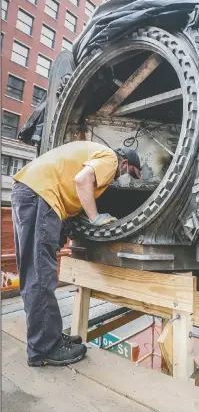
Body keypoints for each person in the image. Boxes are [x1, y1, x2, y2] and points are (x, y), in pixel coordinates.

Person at [12, 141, 141, 367]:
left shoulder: (93, 152)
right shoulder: (110, 159)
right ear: (124, 162)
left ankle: (48, 336)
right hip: (40, 196)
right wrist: (95, 218)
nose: (124, 177)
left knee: (35, 272)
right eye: (130, 172)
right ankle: (44, 349)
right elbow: (82, 180)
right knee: (40, 275)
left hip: (32, 191)